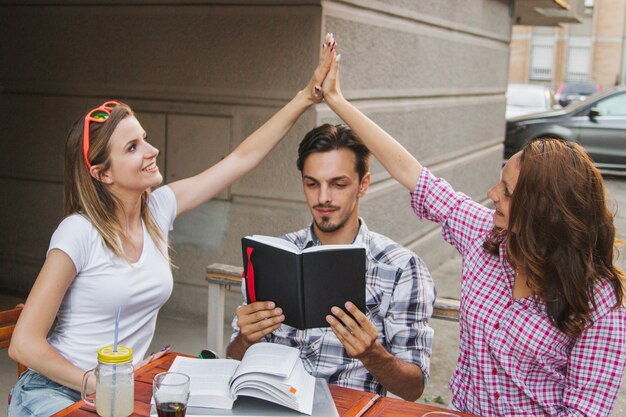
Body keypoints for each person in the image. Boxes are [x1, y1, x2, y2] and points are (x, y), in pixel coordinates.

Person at [7, 34, 337, 417]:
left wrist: (306, 97)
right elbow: (24, 345)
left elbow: (240, 159)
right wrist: (97, 383)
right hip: (56, 392)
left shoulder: (158, 211)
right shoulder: (79, 233)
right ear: (102, 174)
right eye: (132, 148)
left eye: (143, 139)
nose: (152, 151)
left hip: (122, 389)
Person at [318, 47, 626, 416]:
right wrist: (337, 100)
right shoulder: (485, 236)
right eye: (500, 182)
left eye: (508, 193)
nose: (493, 195)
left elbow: (584, 412)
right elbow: (413, 174)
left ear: (545, 215)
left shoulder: (599, 302)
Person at [226, 122, 436, 401]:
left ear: (363, 185)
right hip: (273, 405)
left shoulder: (401, 268)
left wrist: (371, 354)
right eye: (312, 184)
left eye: (338, 184)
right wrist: (246, 339)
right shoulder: (274, 255)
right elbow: (233, 356)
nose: (323, 198)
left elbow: (414, 388)